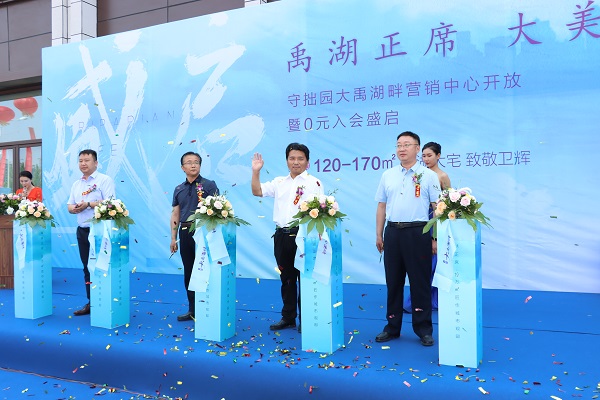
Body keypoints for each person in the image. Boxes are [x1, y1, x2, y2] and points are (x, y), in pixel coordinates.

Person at [374, 132, 441, 346]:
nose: (401, 149)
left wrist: (435, 237)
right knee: (393, 281)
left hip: (418, 232)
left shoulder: (428, 175)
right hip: (393, 232)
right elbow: (381, 206)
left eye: (406, 144)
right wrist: (379, 233)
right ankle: (392, 327)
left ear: (417, 148)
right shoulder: (388, 175)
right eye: (398, 145)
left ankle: (424, 329)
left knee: (420, 282)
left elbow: (437, 208)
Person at [251, 143, 324, 332]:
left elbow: (321, 212)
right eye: (292, 158)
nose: (296, 162)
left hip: (303, 236)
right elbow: (257, 191)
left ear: (307, 162)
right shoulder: (279, 182)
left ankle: (306, 319)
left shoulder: (314, 183)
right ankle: (288, 317)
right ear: (286, 161)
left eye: (300, 158)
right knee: (287, 279)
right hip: (282, 236)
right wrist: (256, 171)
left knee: (305, 279)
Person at [170, 152, 219, 322]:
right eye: (189, 162)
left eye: (196, 162)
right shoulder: (179, 189)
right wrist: (173, 238)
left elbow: (217, 210)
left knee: (206, 269)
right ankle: (193, 309)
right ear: (182, 167)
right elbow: (175, 214)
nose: (193, 165)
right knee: (189, 270)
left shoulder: (209, 185)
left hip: (204, 232)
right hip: (185, 232)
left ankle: (209, 306)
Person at [403, 141, 451, 312]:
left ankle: (434, 300)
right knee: (419, 263)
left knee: (434, 262)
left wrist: (436, 234)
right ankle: (416, 300)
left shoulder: (442, 176)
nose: (426, 159)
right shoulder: (419, 174)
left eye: (429, 155)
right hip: (419, 221)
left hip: (435, 222)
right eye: (423, 156)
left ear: (438, 156)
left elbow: (448, 203)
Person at [67, 149, 115, 316]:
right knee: (87, 267)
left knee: (103, 266)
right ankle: (92, 302)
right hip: (82, 230)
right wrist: (75, 208)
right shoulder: (76, 184)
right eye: (80, 161)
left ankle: (107, 301)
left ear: (96, 163)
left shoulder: (104, 180)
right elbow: (69, 205)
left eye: (87, 160)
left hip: (100, 231)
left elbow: (110, 203)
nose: (83, 163)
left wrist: (88, 204)